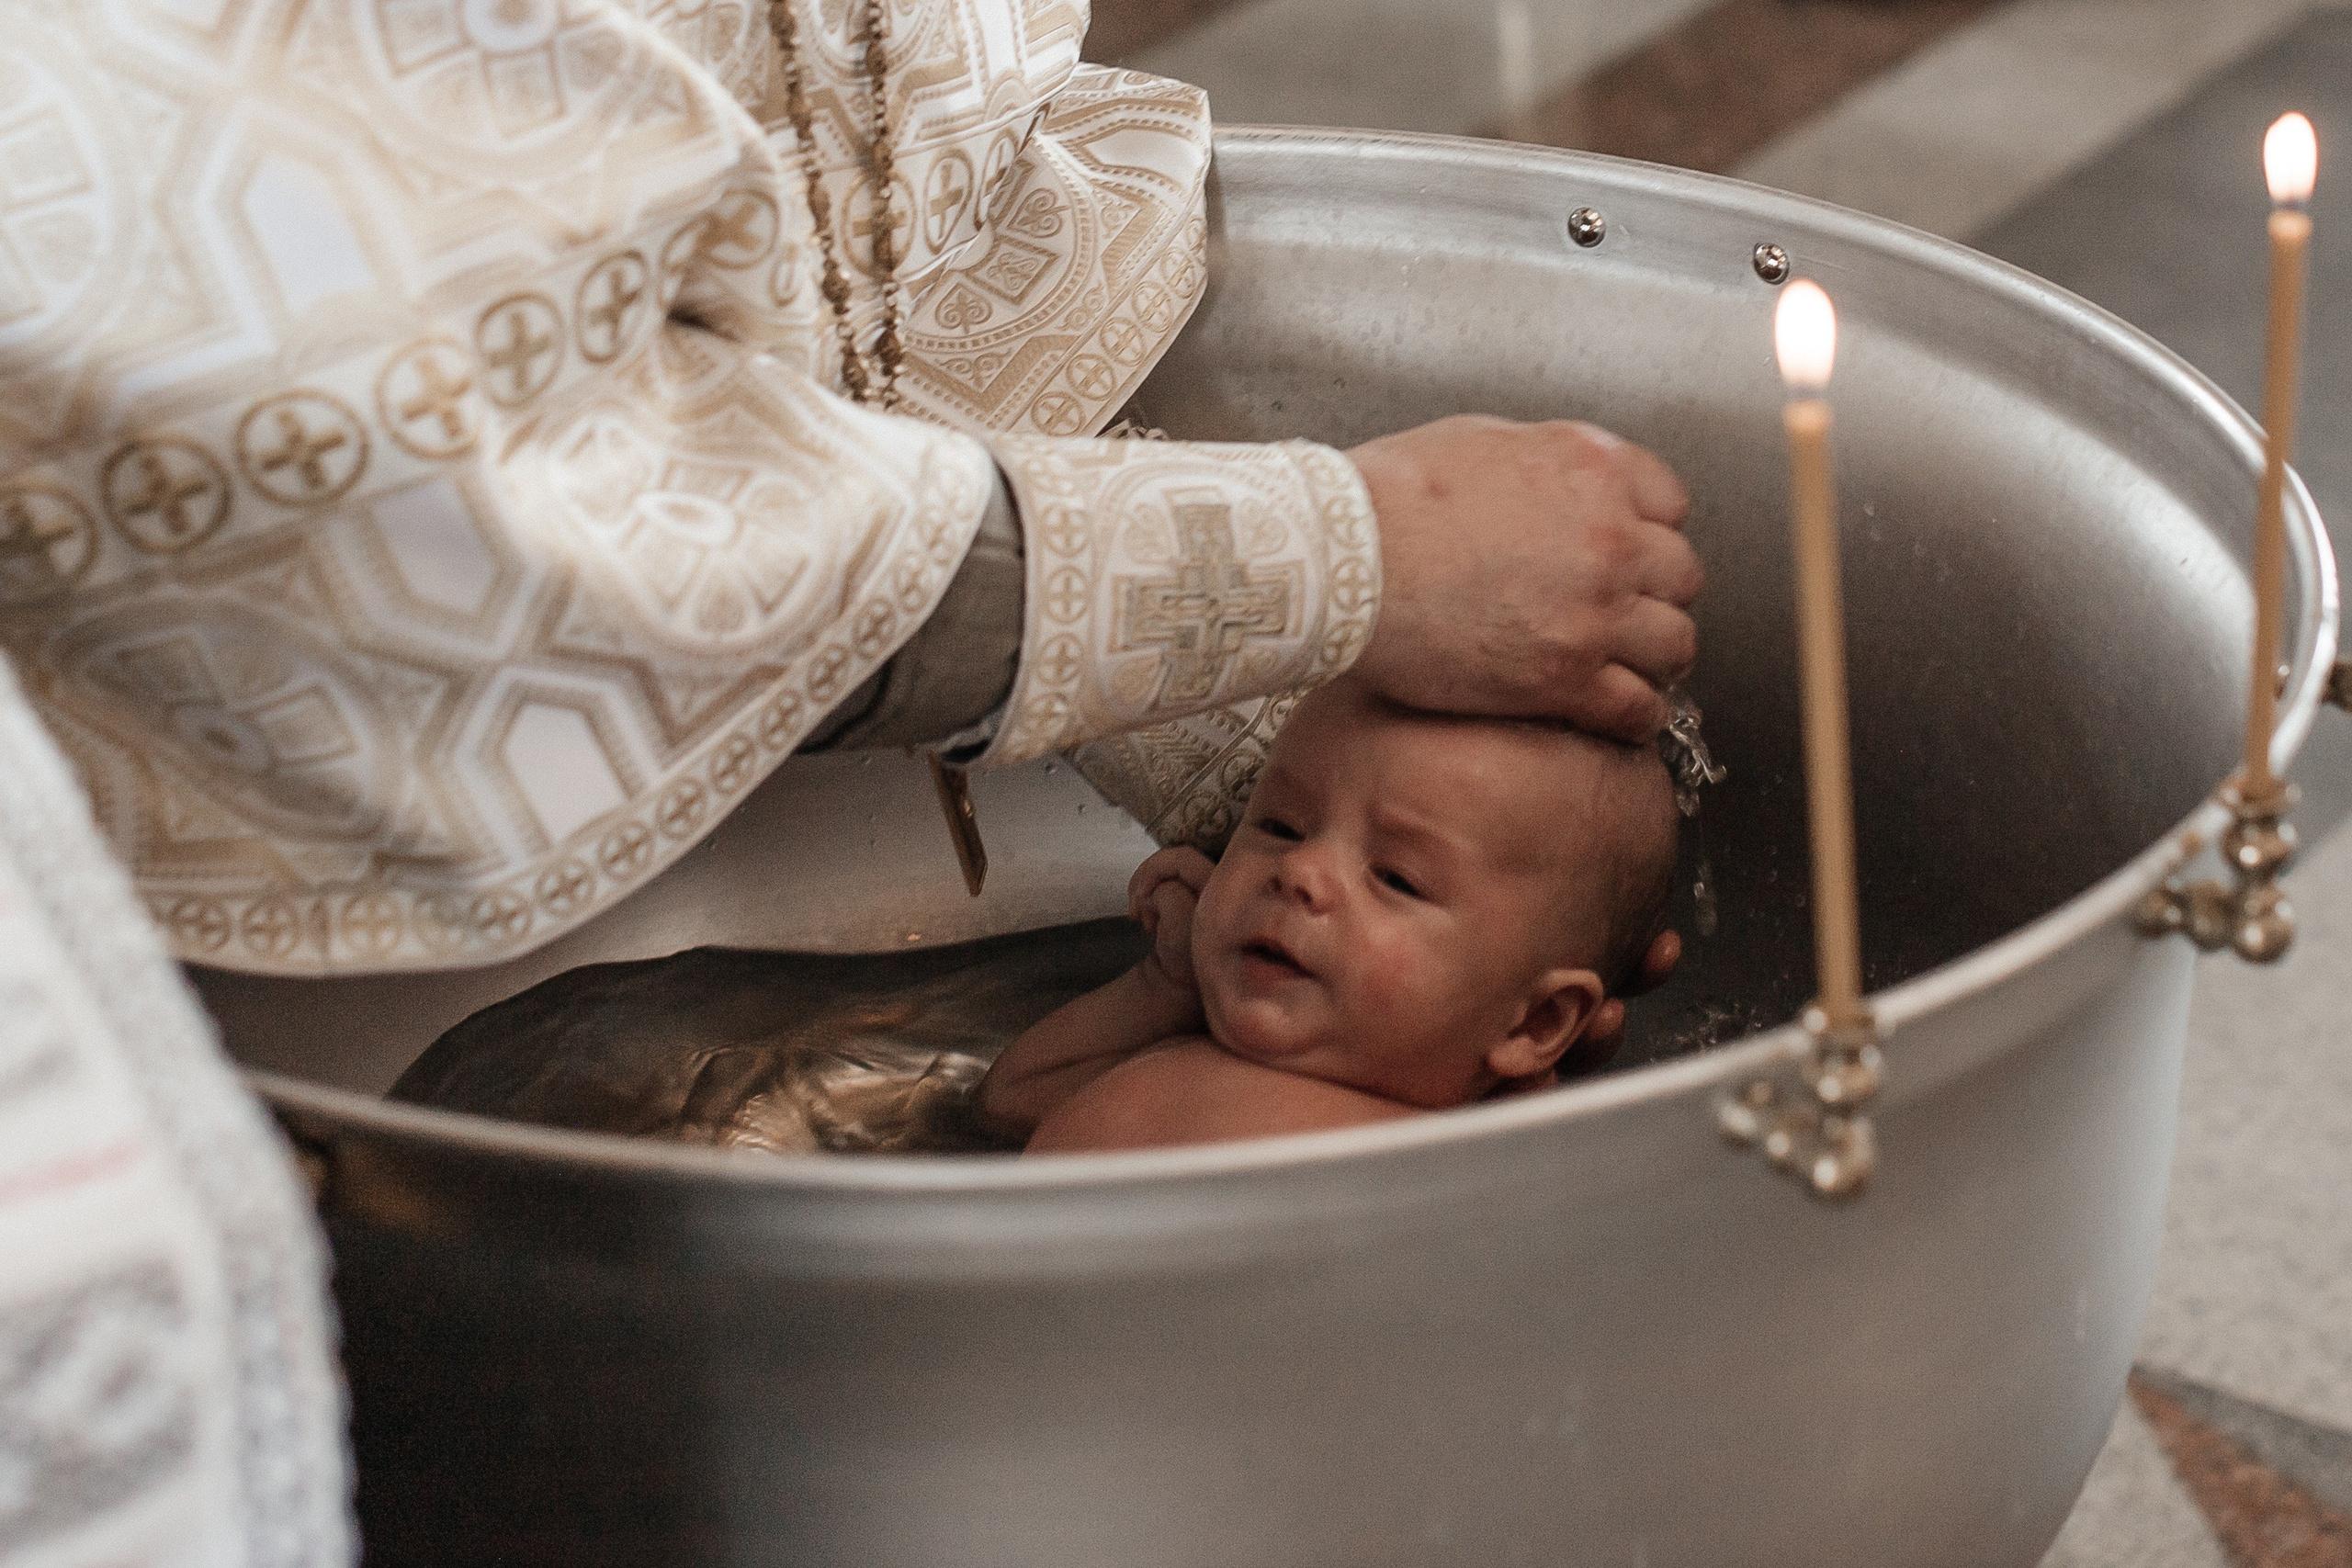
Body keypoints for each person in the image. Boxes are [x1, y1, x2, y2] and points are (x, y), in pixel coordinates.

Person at [976, 674, 1680, 1153]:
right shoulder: (1178, 1044)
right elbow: (1005, 1104)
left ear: (1535, 1022)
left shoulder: (1453, 1165)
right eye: (1281, 825)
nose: (1300, 870)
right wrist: (1161, 991)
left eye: (1397, 877)